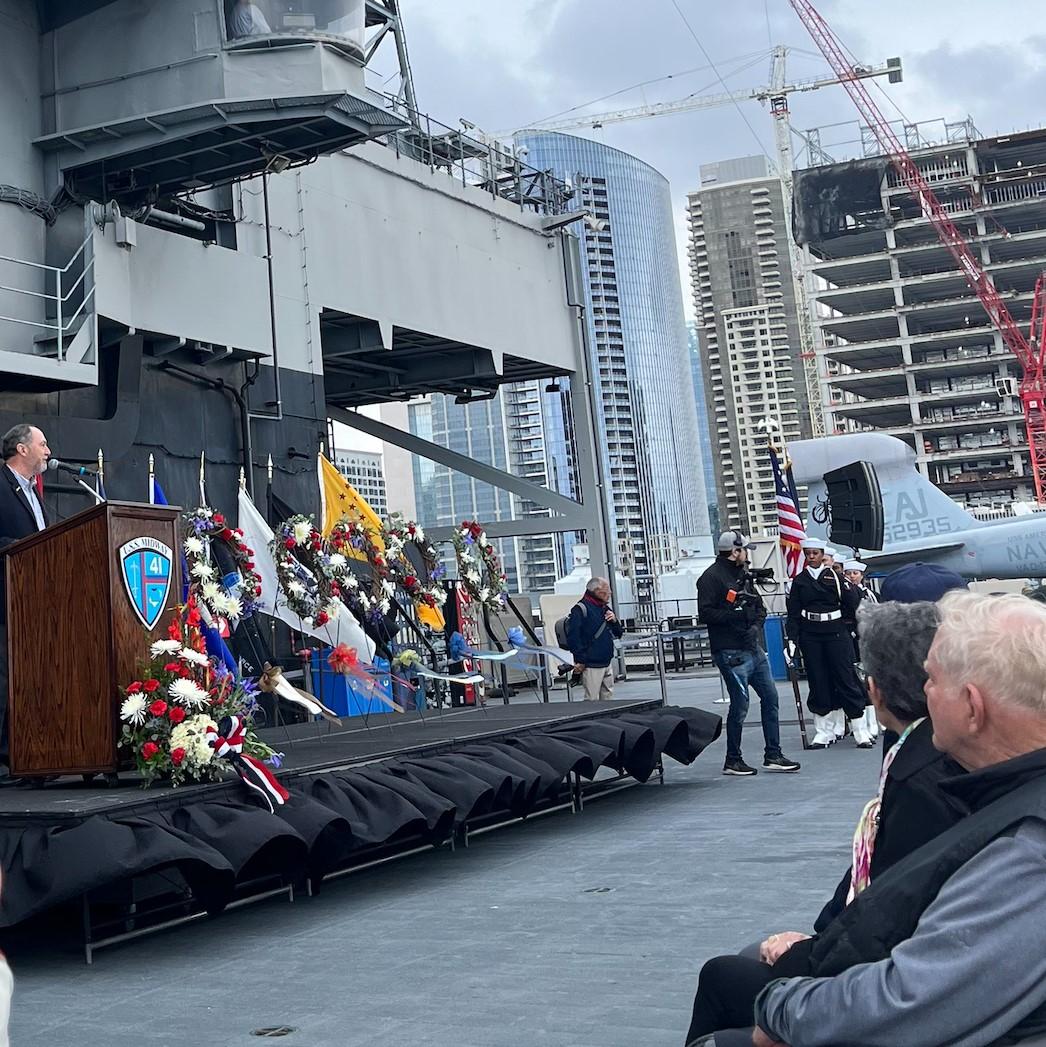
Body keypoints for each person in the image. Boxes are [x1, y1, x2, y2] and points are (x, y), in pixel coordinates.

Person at [747, 591, 1046, 1047]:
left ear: (971, 707)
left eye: (932, 680)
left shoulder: (1027, 849)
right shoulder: (1009, 798)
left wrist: (779, 1006)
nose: (923, 691)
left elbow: (909, 1002)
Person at [682, 600, 966, 1047]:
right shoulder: (936, 758)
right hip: (904, 965)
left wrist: (807, 953)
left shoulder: (920, 782)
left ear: (873, 689)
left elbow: (891, 913)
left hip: (894, 993)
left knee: (725, 972)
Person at [697, 531, 800, 777]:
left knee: (771, 698)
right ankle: (733, 759)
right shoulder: (710, 578)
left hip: (752, 648)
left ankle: (773, 754)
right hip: (730, 651)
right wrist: (736, 615)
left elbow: (759, 608)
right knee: (741, 704)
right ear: (734, 552)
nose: (747, 555)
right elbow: (706, 614)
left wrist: (754, 627)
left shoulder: (744, 575)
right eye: (744, 550)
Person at [0, 424, 50, 780]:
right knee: (3, 679)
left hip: (32, 600)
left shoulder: (35, 492)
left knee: (28, 679)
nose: (48, 450)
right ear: (22, 449)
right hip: (4, 599)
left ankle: (23, 753)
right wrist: (21, 548)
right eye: (42, 444)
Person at [785, 537, 870, 748]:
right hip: (811, 634)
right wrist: (792, 639)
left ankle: (860, 730)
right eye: (808, 553)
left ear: (823, 555)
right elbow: (794, 612)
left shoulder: (837, 578)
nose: (811, 557)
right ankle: (823, 731)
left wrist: (852, 631)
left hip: (836, 633)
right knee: (817, 680)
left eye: (815, 553)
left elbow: (853, 606)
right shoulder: (800, 580)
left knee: (846, 678)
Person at [564, 577, 623, 701]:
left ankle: (608, 720)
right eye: (607, 590)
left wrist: (615, 621)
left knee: (608, 697)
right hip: (591, 663)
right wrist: (581, 660)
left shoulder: (604, 608)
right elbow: (574, 637)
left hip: (606, 660)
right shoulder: (580, 609)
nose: (610, 594)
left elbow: (618, 633)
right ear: (597, 591)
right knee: (591, 699)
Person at [843, 558, 879, 743]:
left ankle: (873, 722)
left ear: (862, 575)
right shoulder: (845, 592)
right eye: (848, 574)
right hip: (852, 638)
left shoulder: (869, 595)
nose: (851, 577)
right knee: (857, 679)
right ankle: (862, 723)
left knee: (869, 679)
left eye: (855, 574)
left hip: (867, 639)